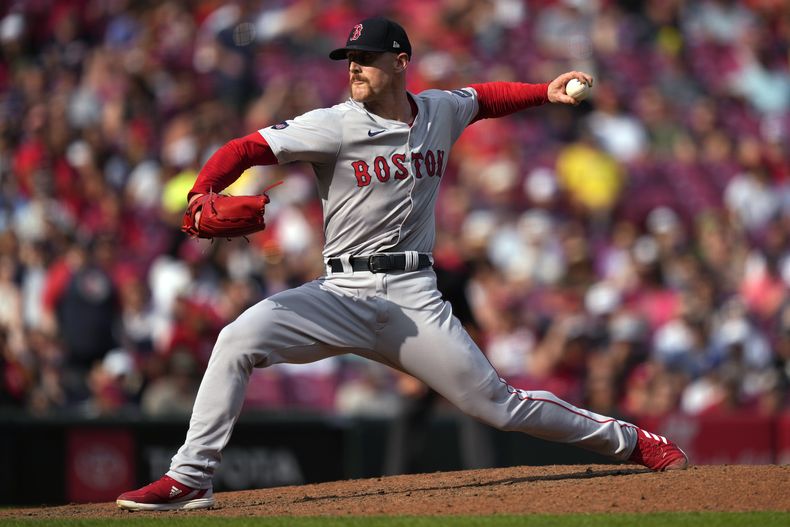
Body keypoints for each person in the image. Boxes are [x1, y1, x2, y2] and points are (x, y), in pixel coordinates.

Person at [117, 17, 688, 512]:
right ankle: (190, 477)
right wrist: (201, 191)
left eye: (365, 59)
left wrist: (545, 91)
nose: (354, 69)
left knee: (499, 405)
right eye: (349, 59)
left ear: (400, 61)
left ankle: (635, 443)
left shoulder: (437, 109)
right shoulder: (335, 123)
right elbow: (245, 150)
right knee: (236, 339)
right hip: (340, 292)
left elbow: (484, 98)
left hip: (414, 293)